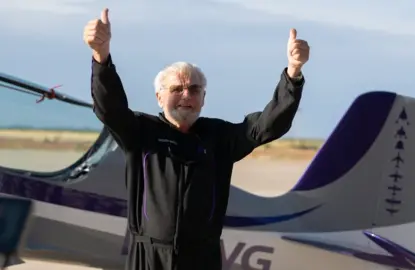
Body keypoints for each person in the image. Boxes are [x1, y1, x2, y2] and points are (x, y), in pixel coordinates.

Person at [83, 7, 310, 270]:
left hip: (202, 258)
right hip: (149, 257)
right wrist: (101, 57)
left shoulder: (219, 137)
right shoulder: (140, 132)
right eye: (176, 89)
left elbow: (267, 126)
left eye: (194, 89)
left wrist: (293, 74)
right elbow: (109, 107)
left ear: (203, 99)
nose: (186, 95)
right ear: (159, 97)